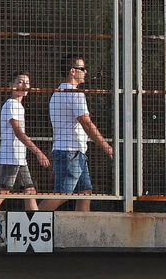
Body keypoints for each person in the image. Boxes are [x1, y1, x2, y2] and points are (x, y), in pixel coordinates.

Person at [41, 55, 113, 212]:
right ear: (72, 71)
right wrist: (106, 147)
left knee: (84, 192)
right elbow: (86, 123)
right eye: (82, 69)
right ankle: (28, 221)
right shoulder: (75, 94)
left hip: (72, 151)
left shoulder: (56, 94)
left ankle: (82, 227)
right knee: (62, 194)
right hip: (70, 152)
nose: (85, 72)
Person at [0, 71, 49, 213]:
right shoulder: (11, 105)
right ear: (11, 85)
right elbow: (19, 133)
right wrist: (38, 153)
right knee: (3, 191)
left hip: (19, 157)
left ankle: (34, 223)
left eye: (27, 82)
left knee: (29, 191)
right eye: (20, 82)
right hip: (11, 156)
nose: (24, 85)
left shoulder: (18, 106)